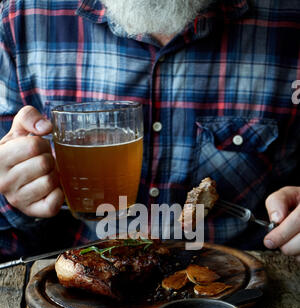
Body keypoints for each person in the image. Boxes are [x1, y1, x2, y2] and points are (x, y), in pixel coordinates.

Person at [0, 0, 299, 260]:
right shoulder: (23, 16)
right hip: (78, 289)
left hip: (240, 287)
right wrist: (10, 199)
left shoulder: (289, 19)